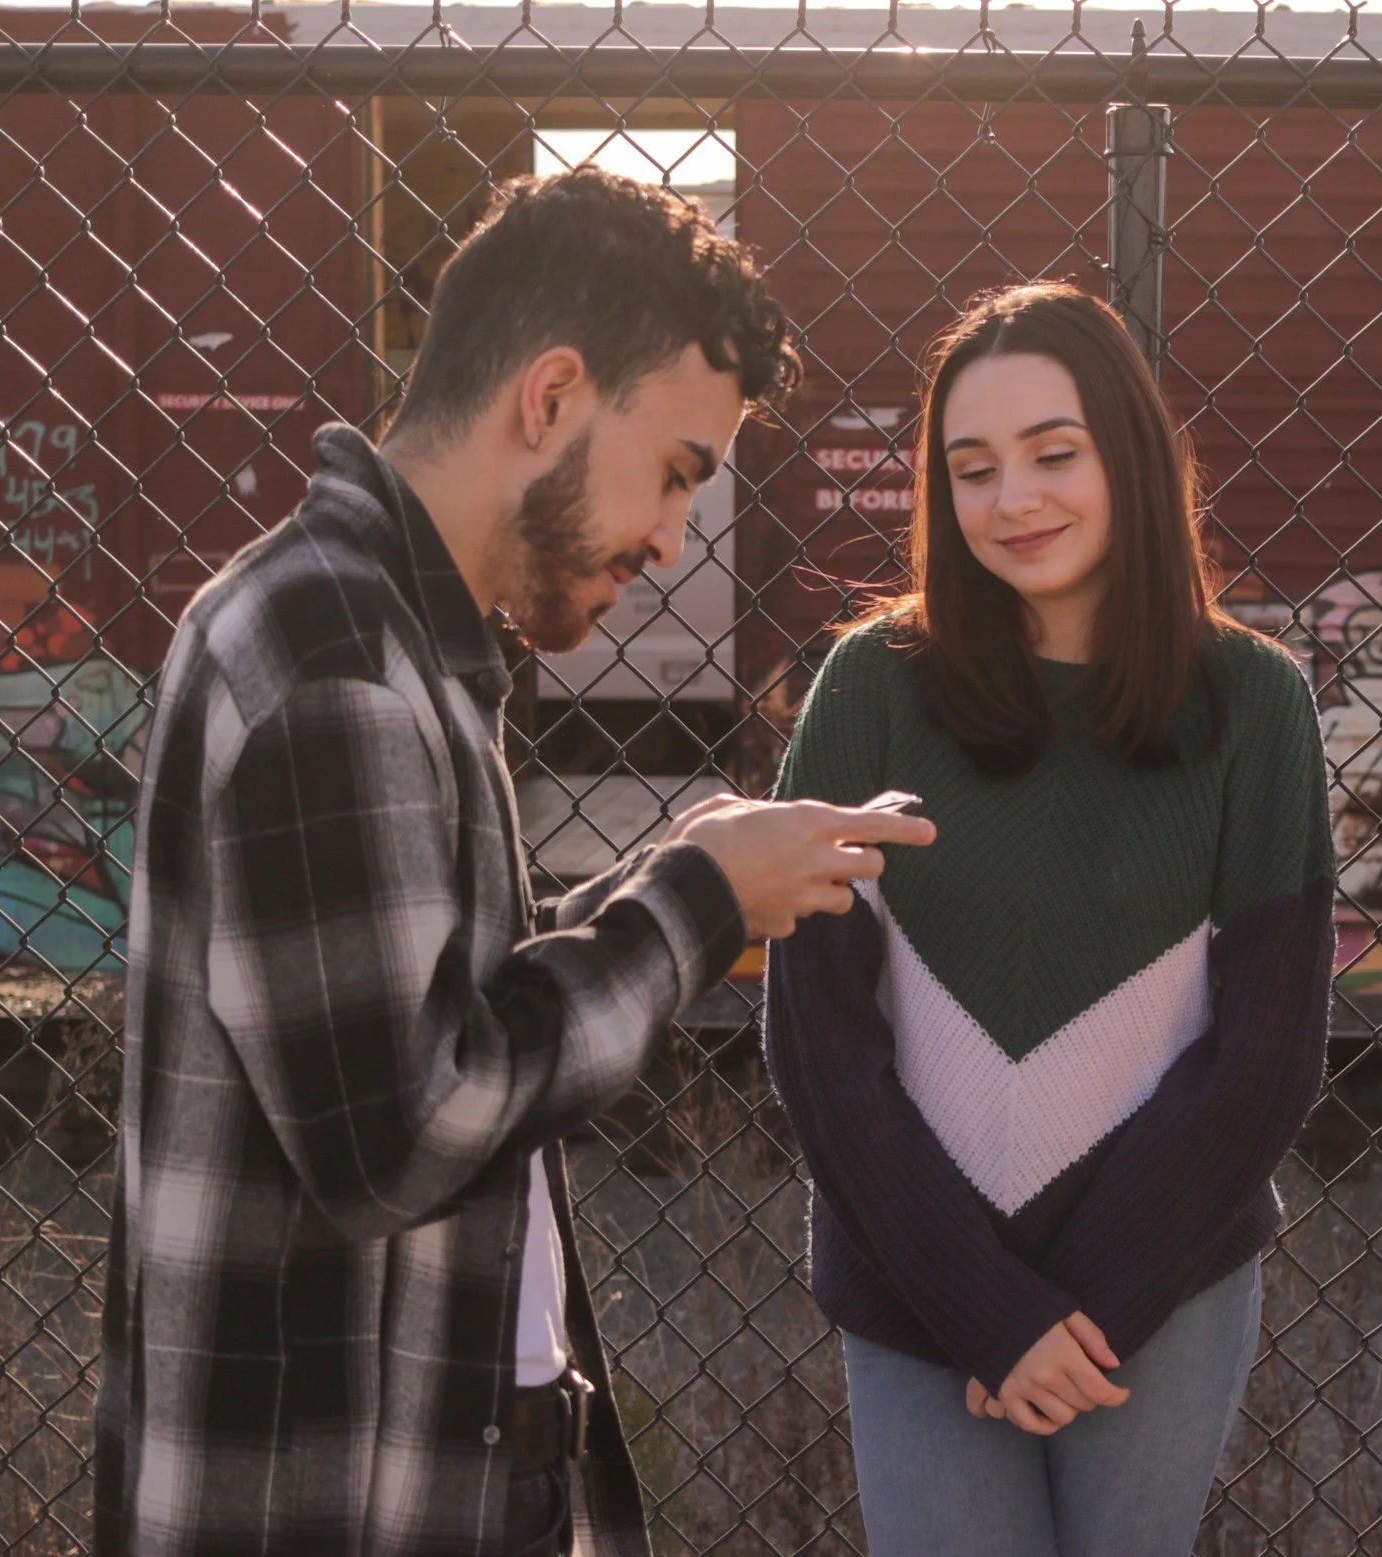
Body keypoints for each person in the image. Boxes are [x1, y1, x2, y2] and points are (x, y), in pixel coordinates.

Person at [93, 167, 934, 1557]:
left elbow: (437, 991)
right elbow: (408, 1127)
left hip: (420, 1464)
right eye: (673, 472)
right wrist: (695, 900)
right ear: (548, 397)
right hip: (328, 1505)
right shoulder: (334, 662)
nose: (672, 539)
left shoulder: (392, 638)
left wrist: (683, 863)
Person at [761, 282, 1335, 1557]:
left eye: (1052, 454)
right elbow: (819, 1045)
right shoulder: (869, 688)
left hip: (1162, 1291)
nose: (1012, 499)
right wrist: (985, 1309)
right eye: (972, 470)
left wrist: (1083, 1309)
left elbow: (1266, 1058)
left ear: (1129, 454)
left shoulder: (1255, 705)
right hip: (918, 1286)